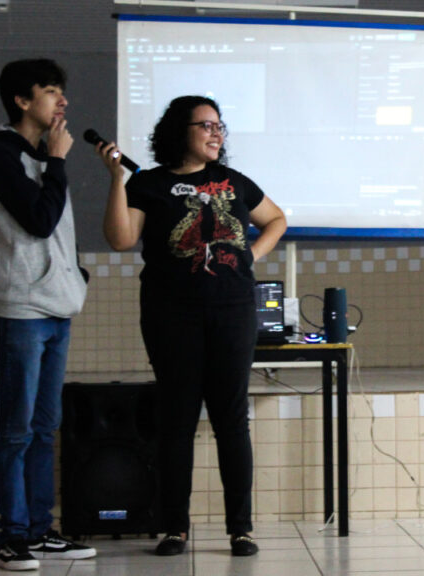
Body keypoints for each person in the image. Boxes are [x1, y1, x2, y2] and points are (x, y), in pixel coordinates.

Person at [98, 95, 287, 557]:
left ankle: (240, 528)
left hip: (232, 310)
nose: (215, 133)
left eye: (219, 126)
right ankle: (174, 528)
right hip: (170, 314)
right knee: (176, 422)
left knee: (231, 421)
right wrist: (117, 180)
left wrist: (250, 257)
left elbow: (277, 219)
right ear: (180, 131)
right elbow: (121, 238)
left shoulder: (234, 182)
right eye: (205, 125)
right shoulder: (148, 183)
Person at [0, 58, 95, 571]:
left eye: (63, 91)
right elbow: (40, 221)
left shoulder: (44, 153)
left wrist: (76, 276)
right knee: (17, 428)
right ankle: (13, 535)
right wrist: (58, 161)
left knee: (46, 427)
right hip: (22, 308)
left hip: (58, 305)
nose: (62, 101)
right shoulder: (0, 151)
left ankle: (42, 530)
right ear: (23, 101)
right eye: (50, 92)